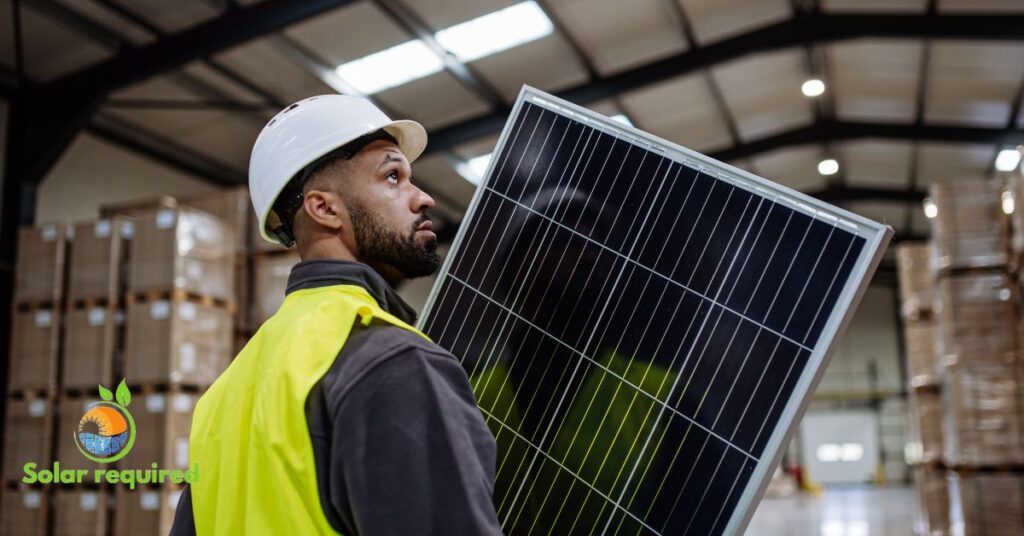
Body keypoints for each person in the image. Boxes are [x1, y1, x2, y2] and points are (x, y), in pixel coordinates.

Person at [170, 95, 503, 535]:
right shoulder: (393, 362)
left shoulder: (223, 396)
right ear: (324, 208)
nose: (421, 197)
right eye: (392, 177)